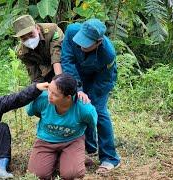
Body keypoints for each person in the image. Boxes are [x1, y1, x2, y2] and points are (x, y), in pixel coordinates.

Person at [61, 18, 121, 173]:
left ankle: (110, 158)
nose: (81, 46)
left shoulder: (107, 54)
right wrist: (78, 89)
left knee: (98, 112)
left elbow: (104, 81)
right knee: (79, 105)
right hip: (79, 74)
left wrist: (90, 98)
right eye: (80, 41)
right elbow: (67, 60)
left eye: (86, 44)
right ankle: (90, 146)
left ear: (99, 41)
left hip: (100, 79)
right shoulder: (72, 31)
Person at [26, 73, 98, 179]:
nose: (49, 95)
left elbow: (92, 124)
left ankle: (73, 157)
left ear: (68, 97)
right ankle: (63, 159)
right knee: (37, 175)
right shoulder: (43, 98)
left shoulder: (84, 108)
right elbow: (30, 111)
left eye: (55, 94)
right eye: (49, 90)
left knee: (71, 174)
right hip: (45, 141)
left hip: (72, 141)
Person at [13, 15, 64, 83]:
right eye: (24, 38)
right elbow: (34, 74)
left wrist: (59, 82)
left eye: (31, 34)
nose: (29, 40)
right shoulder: (23, 53)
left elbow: (56, 55)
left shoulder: (52, 30)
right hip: (48, 68)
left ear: (37, 28)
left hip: (64, 61)